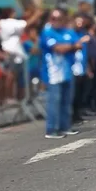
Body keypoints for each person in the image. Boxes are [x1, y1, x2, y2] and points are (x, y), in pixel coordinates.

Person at [40, 10, 82, 139]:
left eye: (58, 19)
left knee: (66, 101)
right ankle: (52, 129)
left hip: (67, 72)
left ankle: (65, 127)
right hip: (52, 74)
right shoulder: (47, 32)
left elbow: (79, 45)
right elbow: (58, 48)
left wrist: (68, 46)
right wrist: (71, 46)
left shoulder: (67, 32)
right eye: (53, 18)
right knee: (54, 102)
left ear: (63, 20)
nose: (55, 21)